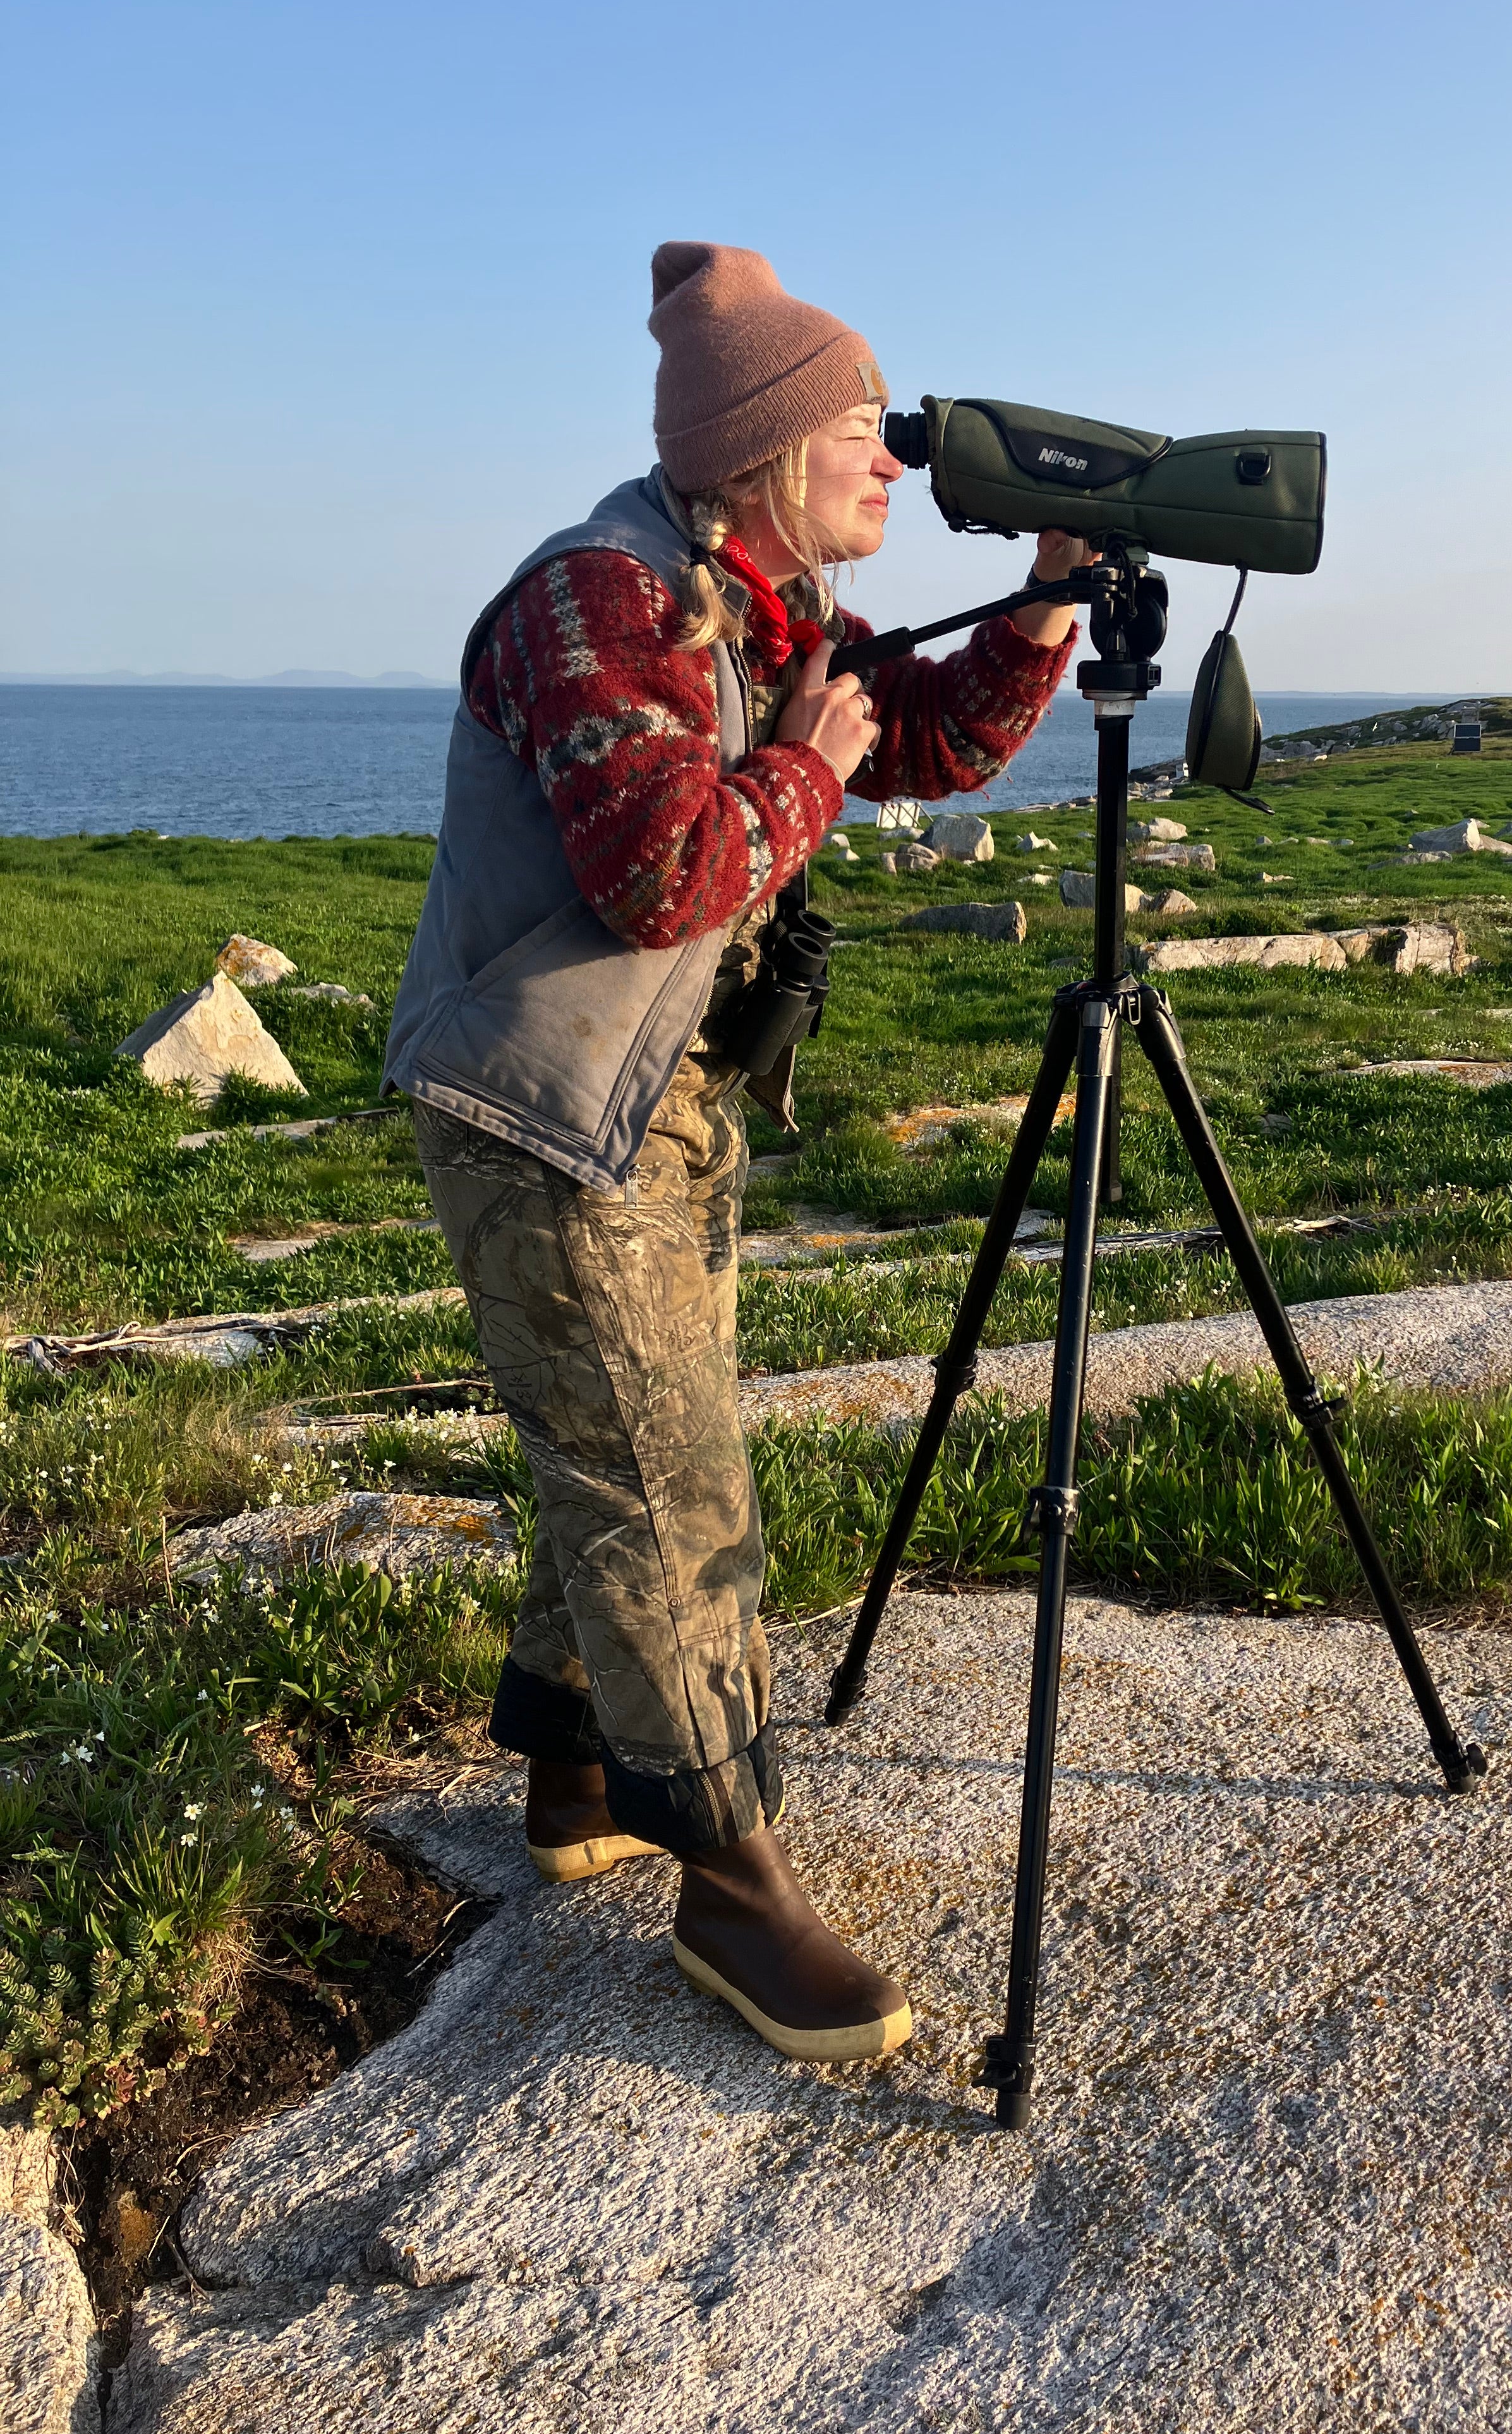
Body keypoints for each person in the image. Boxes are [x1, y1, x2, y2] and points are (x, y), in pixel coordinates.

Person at [385, 241, 1087, 2064]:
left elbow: (924, 745)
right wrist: (798, 772)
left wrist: (1042, 604)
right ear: (761, 449)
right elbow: (661, 871)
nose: (894, 460)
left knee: (619, 1433)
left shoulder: (754, 603)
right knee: (667, 1476)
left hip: (656, 1094)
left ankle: (566, 1770)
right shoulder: (596, 603)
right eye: (864, 427)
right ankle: (733, 1886)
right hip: (542, 1114)